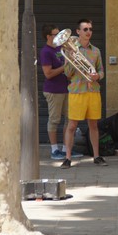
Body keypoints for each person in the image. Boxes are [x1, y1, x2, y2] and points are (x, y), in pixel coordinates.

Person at [60, 19, 107, 169]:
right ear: (78, 32)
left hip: (93, 91)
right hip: (77, 91)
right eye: (85, 29)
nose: (88, 32)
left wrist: (97, 77)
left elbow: (101, 71)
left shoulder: (96, 51)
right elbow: (67, 73)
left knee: (93, 125)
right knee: (72, 125)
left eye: (90, 29)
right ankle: (67, 158)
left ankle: (97, 156)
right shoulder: (70, 50)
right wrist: (72, 59)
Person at [40, 24, 83, 160]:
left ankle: (66, 149)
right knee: (54, 120)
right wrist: (65, 66)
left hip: (66, 89)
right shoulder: (46, 51)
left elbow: (68, 67)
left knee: (69, 119)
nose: (60, 36)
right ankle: (54, 150)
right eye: (56, 34)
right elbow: (48, 74)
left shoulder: (60, 49)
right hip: (54, 91)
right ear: (48, 36)